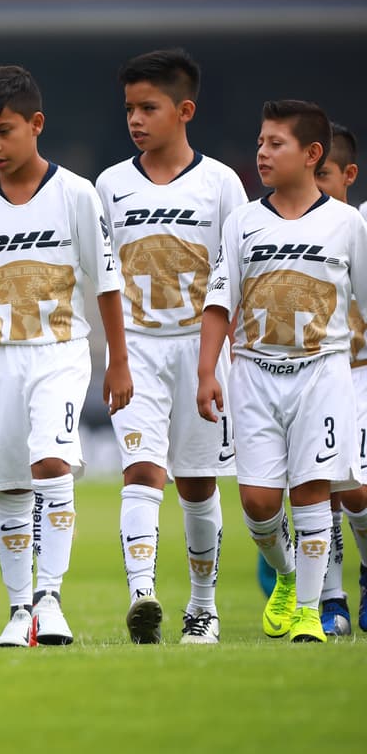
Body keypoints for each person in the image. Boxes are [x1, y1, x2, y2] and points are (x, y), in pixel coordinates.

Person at [0, 65, 132, 648]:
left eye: (4, 131)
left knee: (50, 464)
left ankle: (50, 599)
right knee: (9, 484)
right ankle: (18, 612)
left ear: (36, 125)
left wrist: (118, 359)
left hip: (58, 351)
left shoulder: (76, 194)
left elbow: (107, 282)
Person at [197, 100, 367, 644]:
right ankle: (290, 579)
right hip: (252, 374)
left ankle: (311, 616)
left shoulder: (347, 224)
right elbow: (220, 301)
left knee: (314, 490)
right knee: (259, 502)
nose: (262, 153)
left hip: (323, 372)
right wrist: (207, 372)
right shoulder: (242, 221)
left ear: (311, 154)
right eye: (260, 142)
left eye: (276, 144)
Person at [94, 49, 247, 645]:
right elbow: (104, 276)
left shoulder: (221, 184)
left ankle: (203, 608)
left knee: (197, 483)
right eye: (129, 108)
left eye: (148, 107)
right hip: (136, 350)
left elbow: (236, 274)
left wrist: (221, 361)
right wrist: (115, 356)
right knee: (141, 472)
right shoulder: (110, 184)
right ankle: (142, 595)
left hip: (201, 352)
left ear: (184, 110)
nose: (135, 118)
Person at [310, 122, 367, 635]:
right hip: (313, 373)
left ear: (348, 174)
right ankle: (332, 598)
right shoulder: (286, 223)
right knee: (319, 487)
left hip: (361, 375)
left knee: (358, 491)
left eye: (322, 174)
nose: (313, 183)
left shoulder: (360, 225)